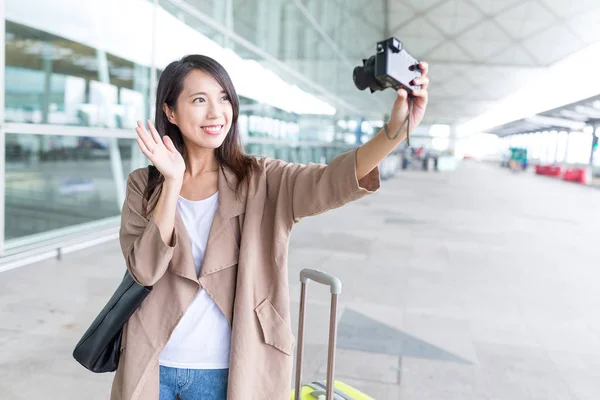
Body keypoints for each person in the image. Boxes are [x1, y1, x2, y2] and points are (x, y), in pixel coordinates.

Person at [110, 54, 429, 400]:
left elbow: (331, 179)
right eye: (199, 100)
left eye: (224, 98)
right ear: (170, 111)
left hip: (228, 369)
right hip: (154, 363)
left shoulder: (260, 179)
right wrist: (171, 182)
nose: (216, 113)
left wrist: (394, 130)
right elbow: (144, 270)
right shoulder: (144, 185)